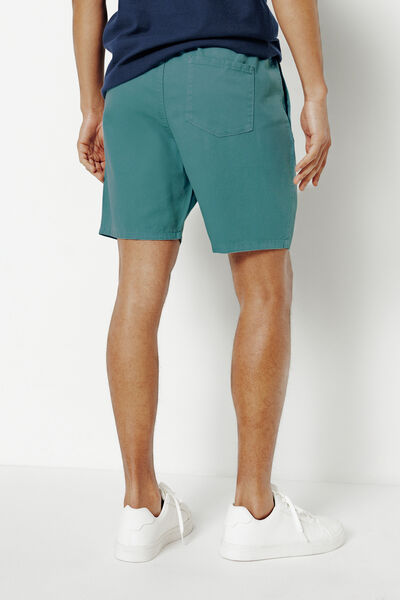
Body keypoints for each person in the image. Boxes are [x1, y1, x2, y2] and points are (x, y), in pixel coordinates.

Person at [72, 0, 345, 562]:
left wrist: (91, 105)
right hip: (224, 72)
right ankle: (255, 512)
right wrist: (316, 92)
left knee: (136, 298)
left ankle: (140, 508)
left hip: (131, 89)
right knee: (264, 289)